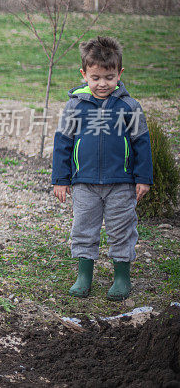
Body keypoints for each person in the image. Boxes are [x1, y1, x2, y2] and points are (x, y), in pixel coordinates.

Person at [51, 36, 152, 301]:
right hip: (84, 182)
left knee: (121, 228)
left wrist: (143, 177)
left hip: (122, 182)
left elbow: (142, 143)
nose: (102, 84)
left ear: (119, 73)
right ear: (84, 75)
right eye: (95, 77)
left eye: (109, 77)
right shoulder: (75, 106)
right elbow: (62, 143)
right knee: (84, 228)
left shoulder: (129, 107)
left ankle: (121, 277)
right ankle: (84, 276)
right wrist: (61, 179)